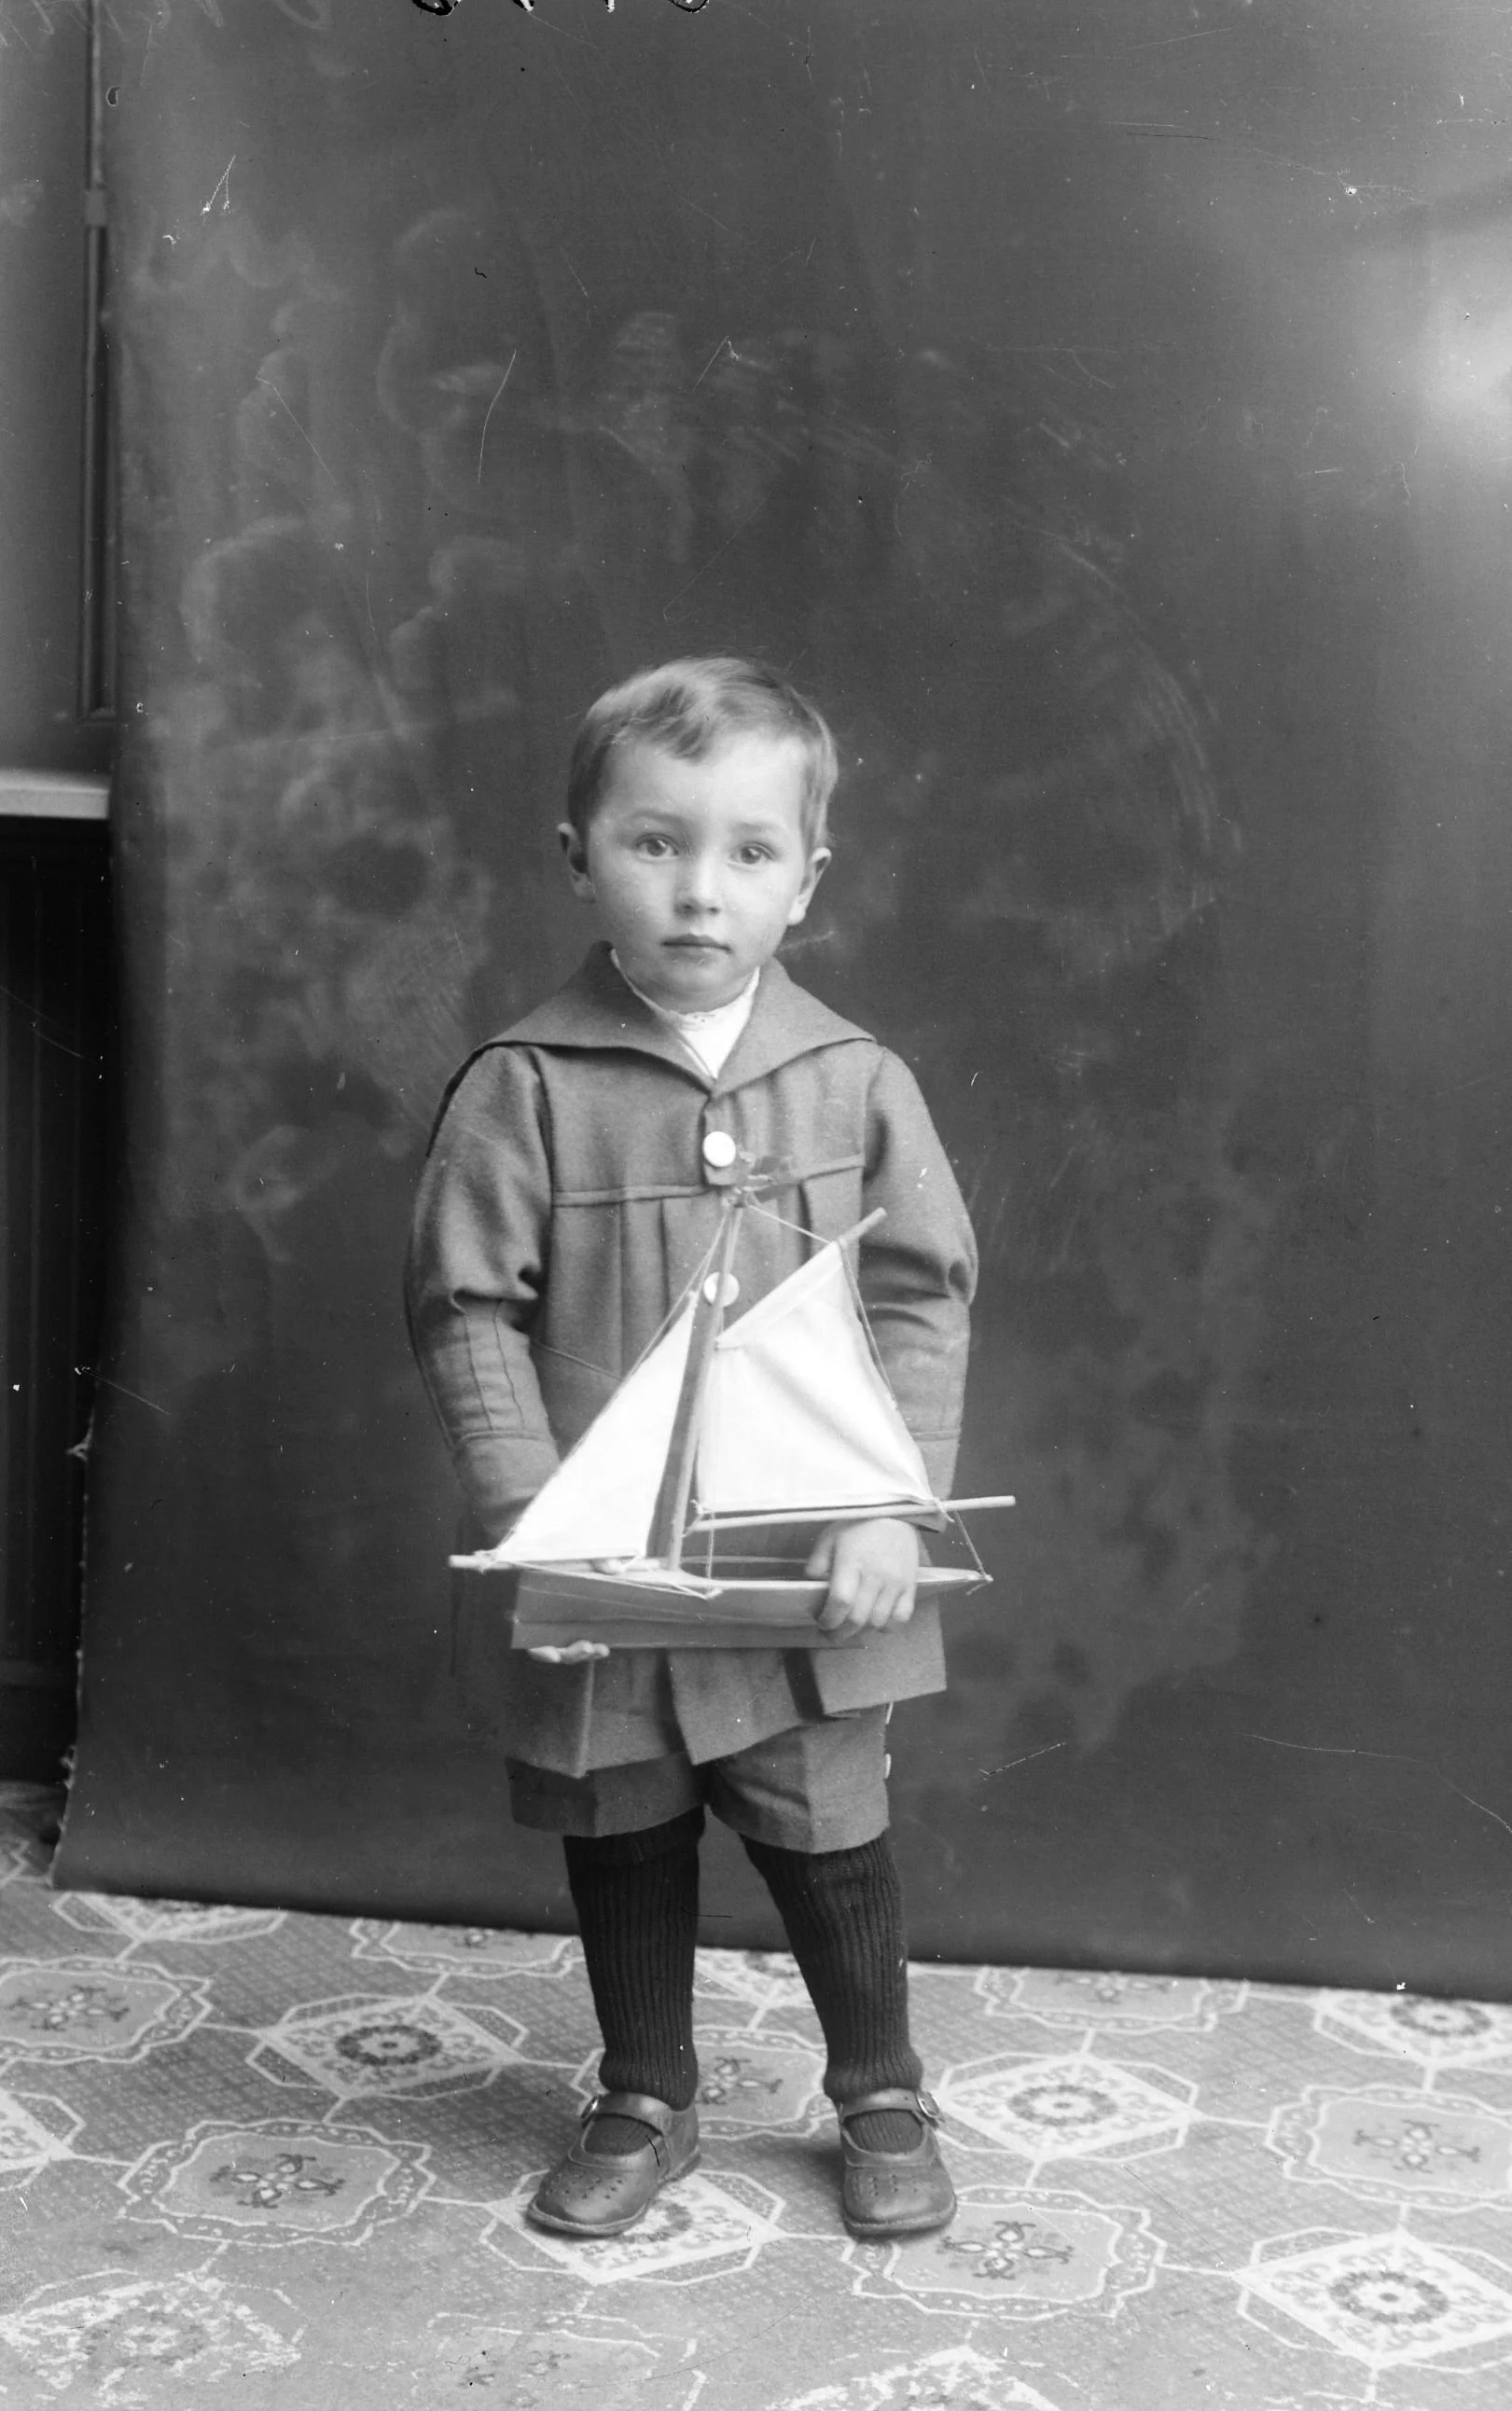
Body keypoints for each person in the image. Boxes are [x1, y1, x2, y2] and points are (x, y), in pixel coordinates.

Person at [406, 656, 977, 2241]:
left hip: (807, 1560)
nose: (702, 890)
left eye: (748, 850)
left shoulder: (856, 1083)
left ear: (809, 877)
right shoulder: (525, 1086)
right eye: (656, 842)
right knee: (622, 1816)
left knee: (827, 1823)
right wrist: (539, 1525)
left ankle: (881, 2089)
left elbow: (923, 1299)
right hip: (609, 1559)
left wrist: (889, 1511)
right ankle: (646, 2089)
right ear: (579, 855)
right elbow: (465, 1311)